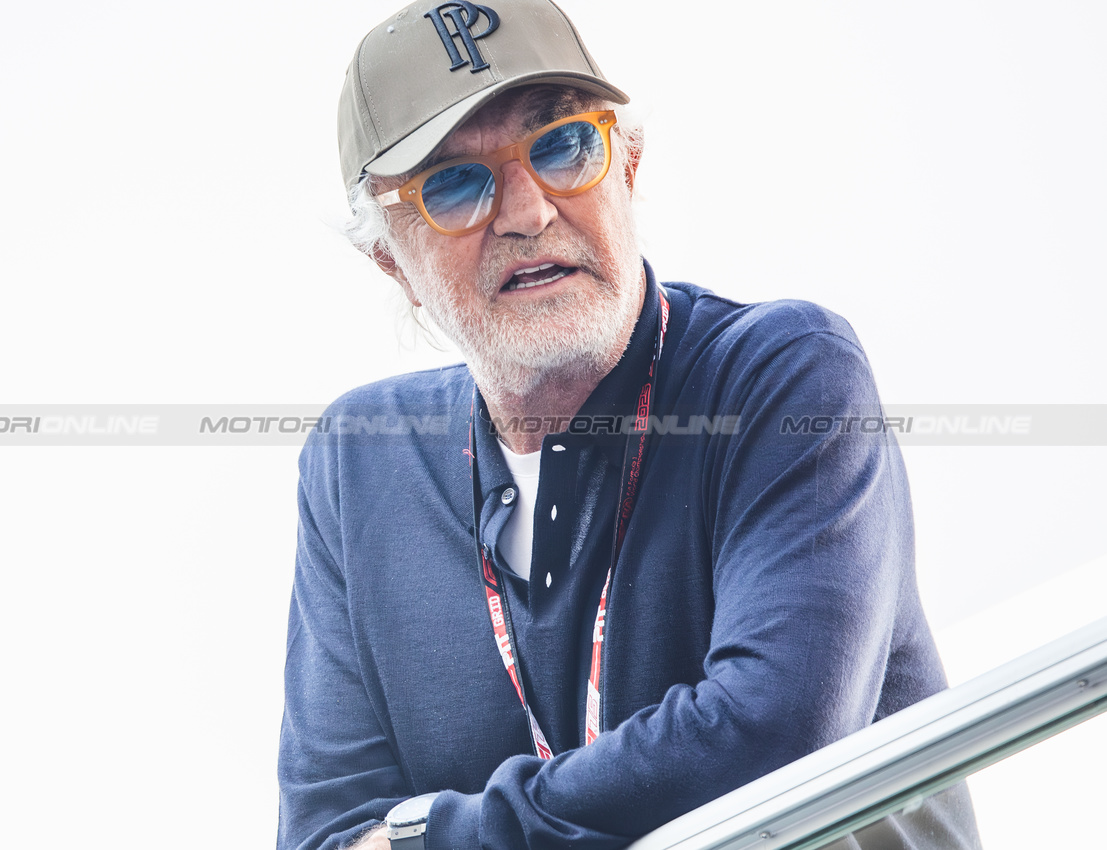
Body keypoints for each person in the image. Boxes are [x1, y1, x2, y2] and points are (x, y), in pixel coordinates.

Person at [279, 1, 978, 848]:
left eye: (562, 146)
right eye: (453, 184)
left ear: (628, 164)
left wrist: (435, 837)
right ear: (389, 258)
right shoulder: (361, 460)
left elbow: (776, 740)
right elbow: (322, 831)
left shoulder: (780, 375)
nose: (527, 211)